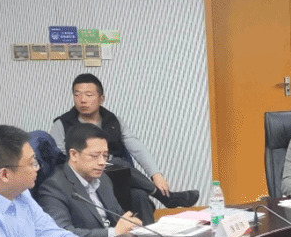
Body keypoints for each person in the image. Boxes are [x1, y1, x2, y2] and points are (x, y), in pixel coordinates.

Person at [50, 73, 198, 223]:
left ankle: (149, 235)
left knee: (139, 195)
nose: (82, 100)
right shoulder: (62, 124)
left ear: (101, 99)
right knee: (117, 162)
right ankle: (164, 196)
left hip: (116, 179)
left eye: (89, 95)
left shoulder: (113, 122)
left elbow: (136, 147)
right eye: (77, 95)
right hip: (82, 179)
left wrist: (156, 174)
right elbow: (60, 157)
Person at [36, 123, 139, 237]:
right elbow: (62, 234)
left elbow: (117, 215)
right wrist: (113, 233)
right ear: (74, 154)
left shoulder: (103, 179)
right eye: (95, 156)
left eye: (105, 156)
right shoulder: (53, 187)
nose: (102, 162)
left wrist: (130, 223)